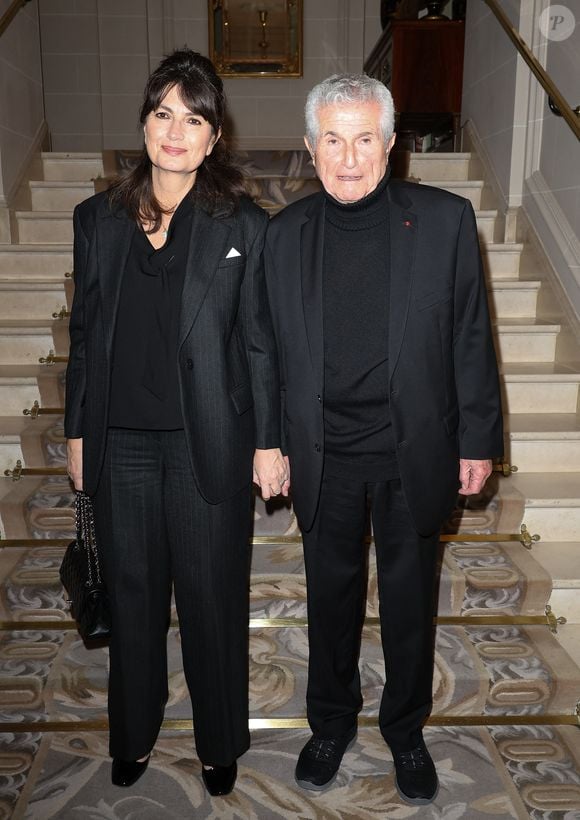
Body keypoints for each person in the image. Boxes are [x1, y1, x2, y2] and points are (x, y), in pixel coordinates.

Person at [265, 74, 503, 805]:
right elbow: (265, 352)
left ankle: (404, 730)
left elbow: (469, 335)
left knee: (408, 603)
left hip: (413, 452)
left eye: (364, 138)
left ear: (391, 145)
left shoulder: (444, 221)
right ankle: (331, 722)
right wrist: (268, 443)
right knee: (330, 601)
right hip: (325, 455)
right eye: (332, 139)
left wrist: (479, 438)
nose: (348, 156)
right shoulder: (283, 235)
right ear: (310, 148)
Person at [65, 49, 288, 797]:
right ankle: (132, 733)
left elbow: (259, 341)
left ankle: (219, 741)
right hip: (120, 444)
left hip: (208, 446)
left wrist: (268, 441)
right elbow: (88, 336)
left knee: (211, 600)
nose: (176, 131)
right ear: (145, 121)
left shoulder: (243, 227)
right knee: (132, 598)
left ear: (214, 135)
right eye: (164, 113)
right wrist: (75, 434)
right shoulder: (95, 220)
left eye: (193, 118)